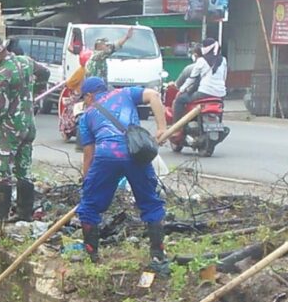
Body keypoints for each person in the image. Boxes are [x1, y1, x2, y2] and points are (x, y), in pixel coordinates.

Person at [76, 77, 169, 274]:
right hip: (136, 154)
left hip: (105, 157)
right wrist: (162, 127)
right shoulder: (125, 93)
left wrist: (87, 180)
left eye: (84, 97)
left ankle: (91, 253)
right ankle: (157, 252)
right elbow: (153, 95)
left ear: (90, 95)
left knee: (89, 205)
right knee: (150, 202)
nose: (84, 102)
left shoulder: (86, 116)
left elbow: (88, 153)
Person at [0, 36, 50, 223]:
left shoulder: (2, 75)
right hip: (28, 125)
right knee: (23, 170)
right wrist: (36, 92)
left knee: (2, 172)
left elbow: (1, 107)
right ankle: (24, 214)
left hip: (10, 128)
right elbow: (45, 73)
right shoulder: (25, 62)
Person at [174, 38, 226, 123]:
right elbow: (224, 77)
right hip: (221, 94)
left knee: (180, 100)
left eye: (204, 46)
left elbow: (192, 79)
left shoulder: (201, 61)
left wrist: (181, 90)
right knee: (221, 106)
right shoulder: (223, 60)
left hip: (203, 93)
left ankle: (176, 127)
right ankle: (219, 122)